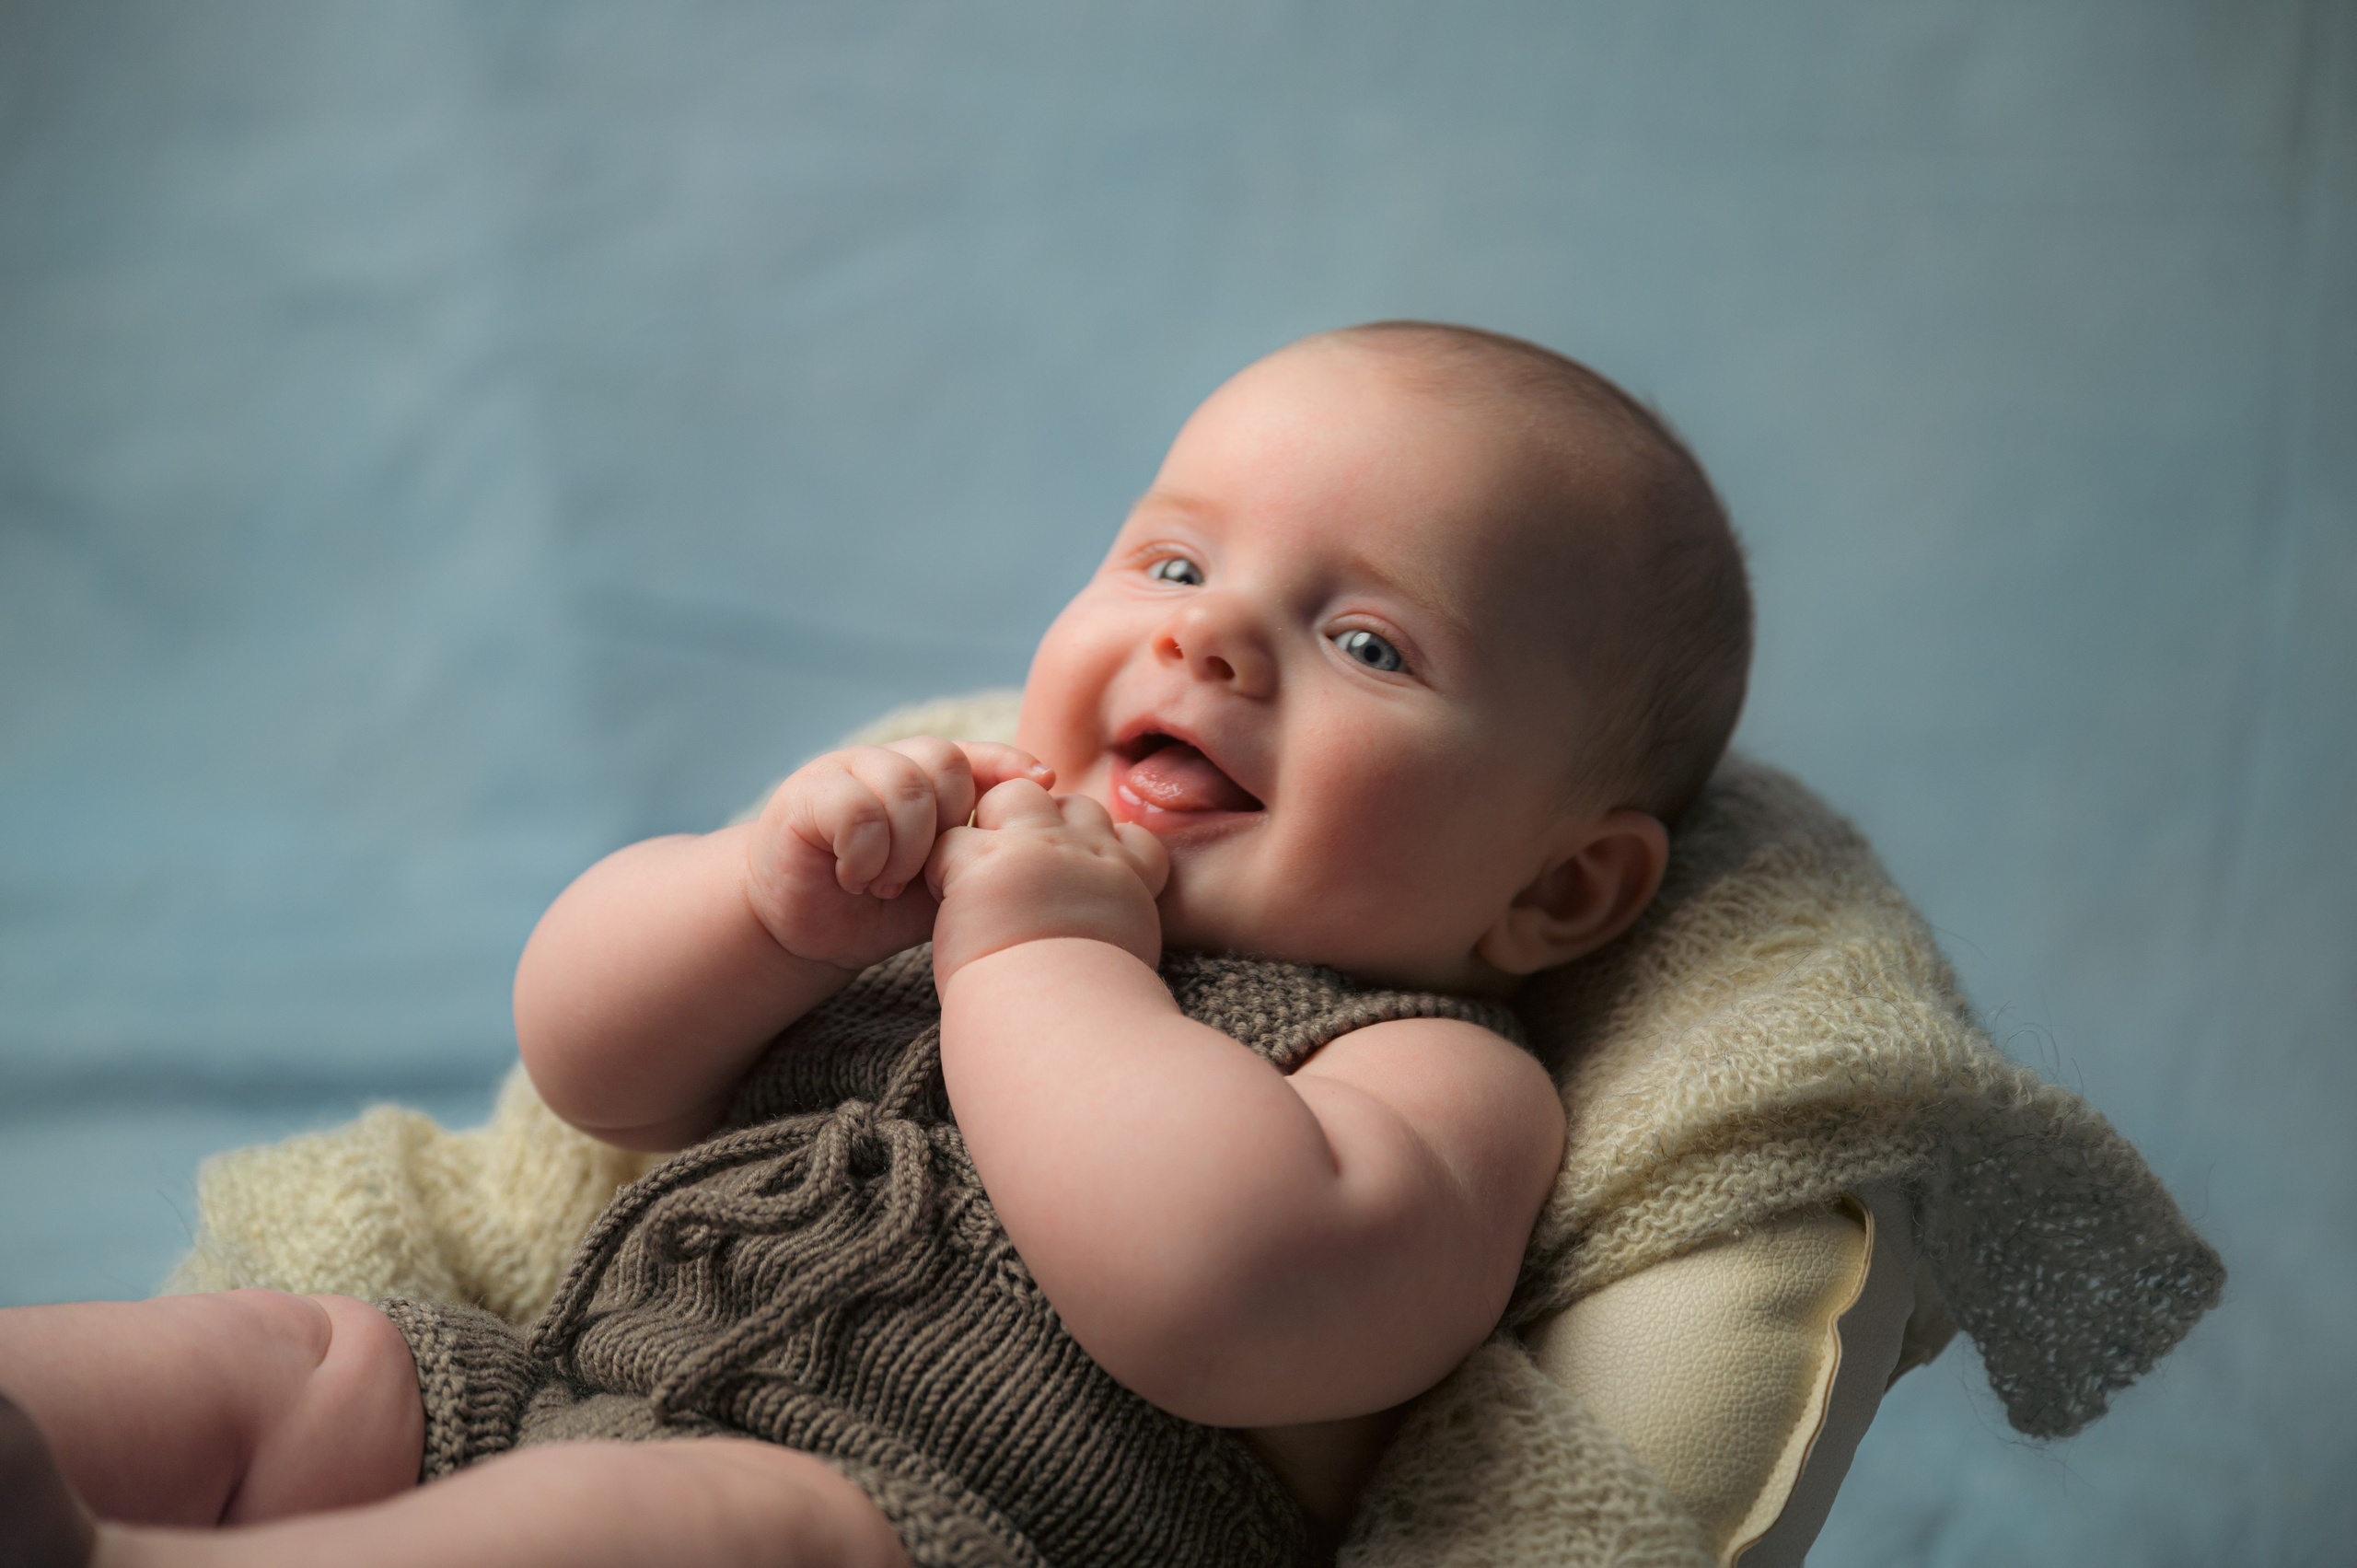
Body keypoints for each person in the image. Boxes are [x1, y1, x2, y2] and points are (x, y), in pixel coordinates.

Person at [0, 320, 1751, 1568]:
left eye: (1368, 643)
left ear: (1560, 893)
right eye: (1171, 565)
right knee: (309, 1360)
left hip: (910, 1529)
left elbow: (1225, 1295)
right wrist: (757, 907)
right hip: (559, 1393)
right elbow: (592, 1073)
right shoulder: (952, 856)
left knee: (707, 1525)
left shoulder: (1433, 1073)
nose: (1210, 639)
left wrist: (1041, 963)